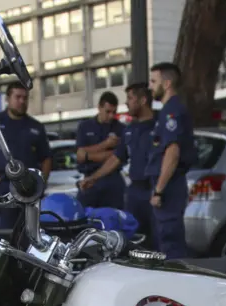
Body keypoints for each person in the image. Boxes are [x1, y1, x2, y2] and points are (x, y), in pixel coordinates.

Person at [79, 83, 157, 247]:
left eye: (130, 98)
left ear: (143, 100)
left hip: (154, 189)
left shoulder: (159, 124)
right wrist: (93, 178)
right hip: (135, 191)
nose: (126, 103)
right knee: (133, 240)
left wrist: (160, 190)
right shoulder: (130, 130)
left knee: (159, 240)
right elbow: (116, 158)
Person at [0, 83, 52, 229]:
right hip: (3, 186)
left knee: (31, 233)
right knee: (5, 233)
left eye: (25, 98)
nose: (22, 101)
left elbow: (46, 158)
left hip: (30, 187)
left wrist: (42, 183)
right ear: (7, 98)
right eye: (18, 97)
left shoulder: (36, 126)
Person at [145, 62, 196, 259]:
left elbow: (172, 153)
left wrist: (159, 190)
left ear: (166, 84)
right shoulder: (168, 111)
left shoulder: (172, 112)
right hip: (168, 187)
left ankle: (176, 277)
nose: (150, 86)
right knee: (163, 244)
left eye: (153, 81)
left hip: (169, 189)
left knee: (170, 246)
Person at [74, 91, 125, 210]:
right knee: (84, 216)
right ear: (99, 107)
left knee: (115, 217)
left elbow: (117, 156)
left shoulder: (121, 128)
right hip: (89, 178)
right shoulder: (85, 126)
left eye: (114, 112)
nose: (111, 116)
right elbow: (80, 155)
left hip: (112, 180)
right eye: (108, 111)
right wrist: (106, 144)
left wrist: (88, 155)